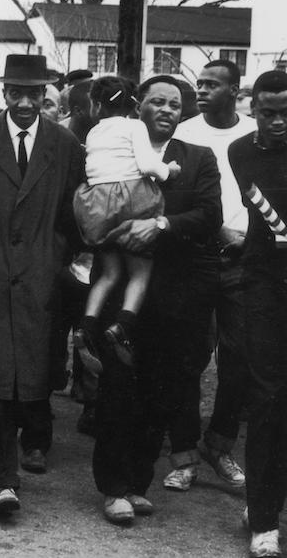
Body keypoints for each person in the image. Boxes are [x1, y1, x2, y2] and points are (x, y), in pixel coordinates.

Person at [0, 54, 84, 517]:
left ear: (47, 93)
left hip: (40, 277)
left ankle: (26, 451)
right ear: (4, 94)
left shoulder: (65, 144)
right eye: (16, 93)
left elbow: (74, 213)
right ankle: (0, 478)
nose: (26, 102)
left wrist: (55, 259)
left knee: (35, 373)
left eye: (35, 93)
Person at [89, 75, 221, 525]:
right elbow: (86, 203)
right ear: (137, 107)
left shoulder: (197, 159)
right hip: (122, 297)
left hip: (173, 297)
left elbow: (209, 215)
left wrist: (161, 226)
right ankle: (114, 488)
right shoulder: (113, 149)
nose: (166, 109)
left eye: (175, 104)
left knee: (157, 396)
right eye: (156, 101)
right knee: (117, 392)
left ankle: (139, 483)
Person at [166, 58, 255, 493]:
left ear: (235, 90)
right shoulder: (183, 133)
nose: (200, 90)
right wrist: (216, 227)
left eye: (212, 84)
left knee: (239, 357)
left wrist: (250, 236)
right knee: (187, 354)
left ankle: (218, 444)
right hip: (196, 255)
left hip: (246, 258)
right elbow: (175, 198)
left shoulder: (255, 131)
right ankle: (183, 453)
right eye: (198, 83)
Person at [73, 76, 180, 371]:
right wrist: (169, 171)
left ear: (95, 106)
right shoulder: (135, 126)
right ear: (134, 104)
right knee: (139, 273)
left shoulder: (94, 132)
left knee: (109, 273)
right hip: (130, 201)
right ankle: (121, 326)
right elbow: (147, 165)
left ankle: (86, 327)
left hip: (96, 206)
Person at [230, 69, 287, 558]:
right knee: (268, 398)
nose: (277, 122)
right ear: (253, 109)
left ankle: (267, 497)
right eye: (268, 112)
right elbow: (267, 220)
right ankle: (264, 517)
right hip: (266, 285)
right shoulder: (240, 151)